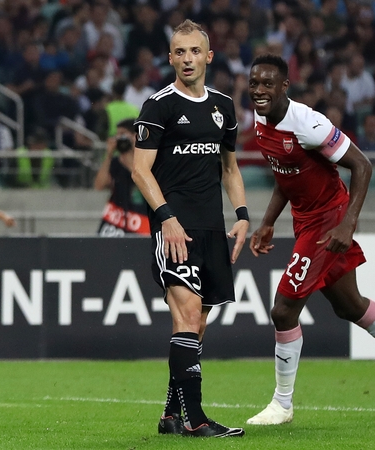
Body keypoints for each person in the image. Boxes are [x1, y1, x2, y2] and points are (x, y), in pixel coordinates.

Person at [244, 54, 375, 426]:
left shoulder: (308, 123)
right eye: (254, 83)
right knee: (350, 305)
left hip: (328, 221)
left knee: (282, 310)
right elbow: (285, 176)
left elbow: (363, 165)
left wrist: (348, 223)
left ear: (284, 87)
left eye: (267, 84)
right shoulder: (261, 119)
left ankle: (282, 404)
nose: (259, 90)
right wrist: (268, 222)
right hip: (305, 218)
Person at [131, 19, 249, 438]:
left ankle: (169, 415)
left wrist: (242, 215)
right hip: (174, 229)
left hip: (212, 229)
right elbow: (140, 170)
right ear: (170, 58)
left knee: (197, 325)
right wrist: (167, 220)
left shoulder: (223, 107)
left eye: (194, 51)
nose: (187, 59)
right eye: (179, 52)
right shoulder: (158, 106)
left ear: (208, 56)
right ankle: (197, 420)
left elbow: (230, 167)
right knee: (186, 315)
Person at [93, 118, 149, 236]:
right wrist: (108, 155)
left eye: (122, 134)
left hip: (140, 224)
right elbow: (99, 185)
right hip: (114, 226)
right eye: (117, 135)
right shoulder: (114, 163)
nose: (118, 138)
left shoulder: (147, 163)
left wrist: (136, 148)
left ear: (136, 136)